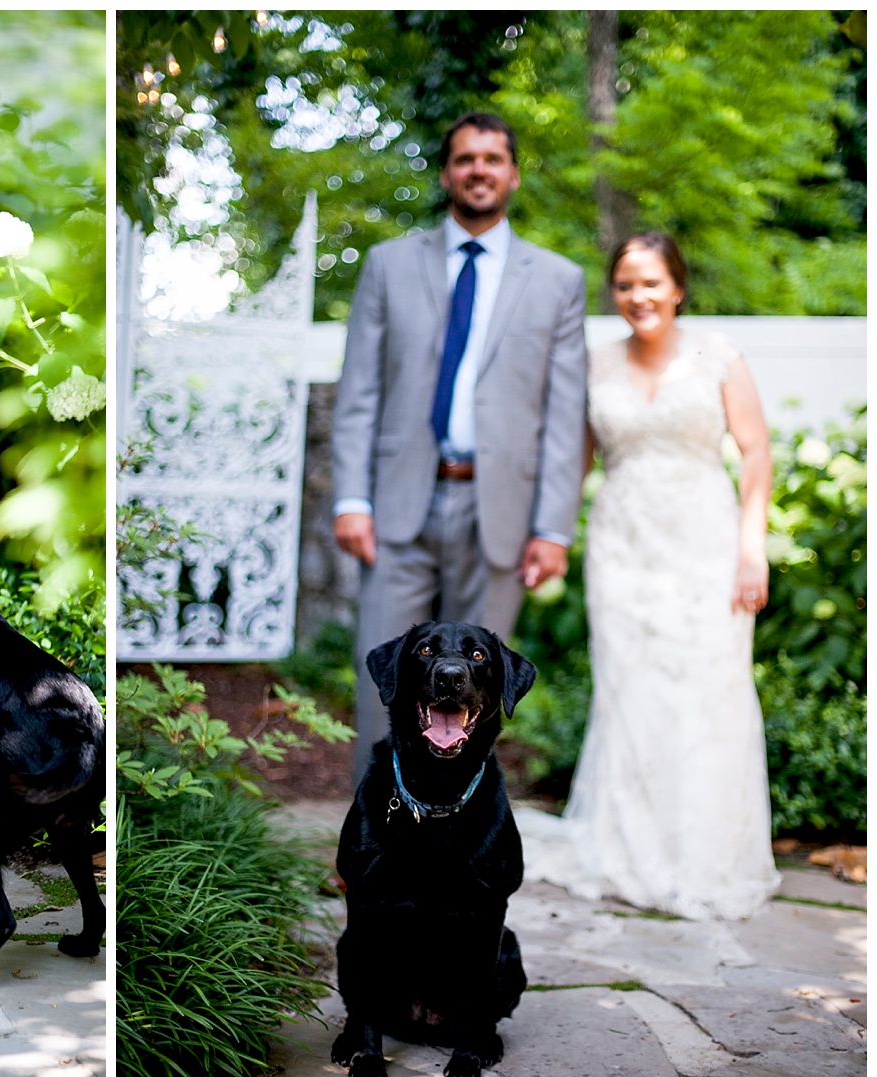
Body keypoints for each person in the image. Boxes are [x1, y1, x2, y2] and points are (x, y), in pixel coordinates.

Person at [517, 233, 780, 919]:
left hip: (706, 543)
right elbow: (574, 465)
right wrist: (551, 540)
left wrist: (752, 549)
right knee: (630, 691)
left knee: (708, 690)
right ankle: (628, 848)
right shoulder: (596, 362)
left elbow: (756, 456)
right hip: (622, 545)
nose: (639, 296)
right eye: (627, 284)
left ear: (679, 287)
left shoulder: (719, 356)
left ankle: (702, 857)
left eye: (652, 282)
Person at [332, 112, 589, 785]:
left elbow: (565, 413)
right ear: (447, 172)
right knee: (385, 683)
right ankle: (371, 844)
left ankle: (454, 845)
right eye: (466, 158)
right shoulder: (389, 265)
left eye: (493, 158)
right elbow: (359, 388)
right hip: (397, 505)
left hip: (501, 510)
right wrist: (352, 499)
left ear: (513, 174)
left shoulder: (557, 279)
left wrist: (554, 526)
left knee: (479, 692)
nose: (479, 169)